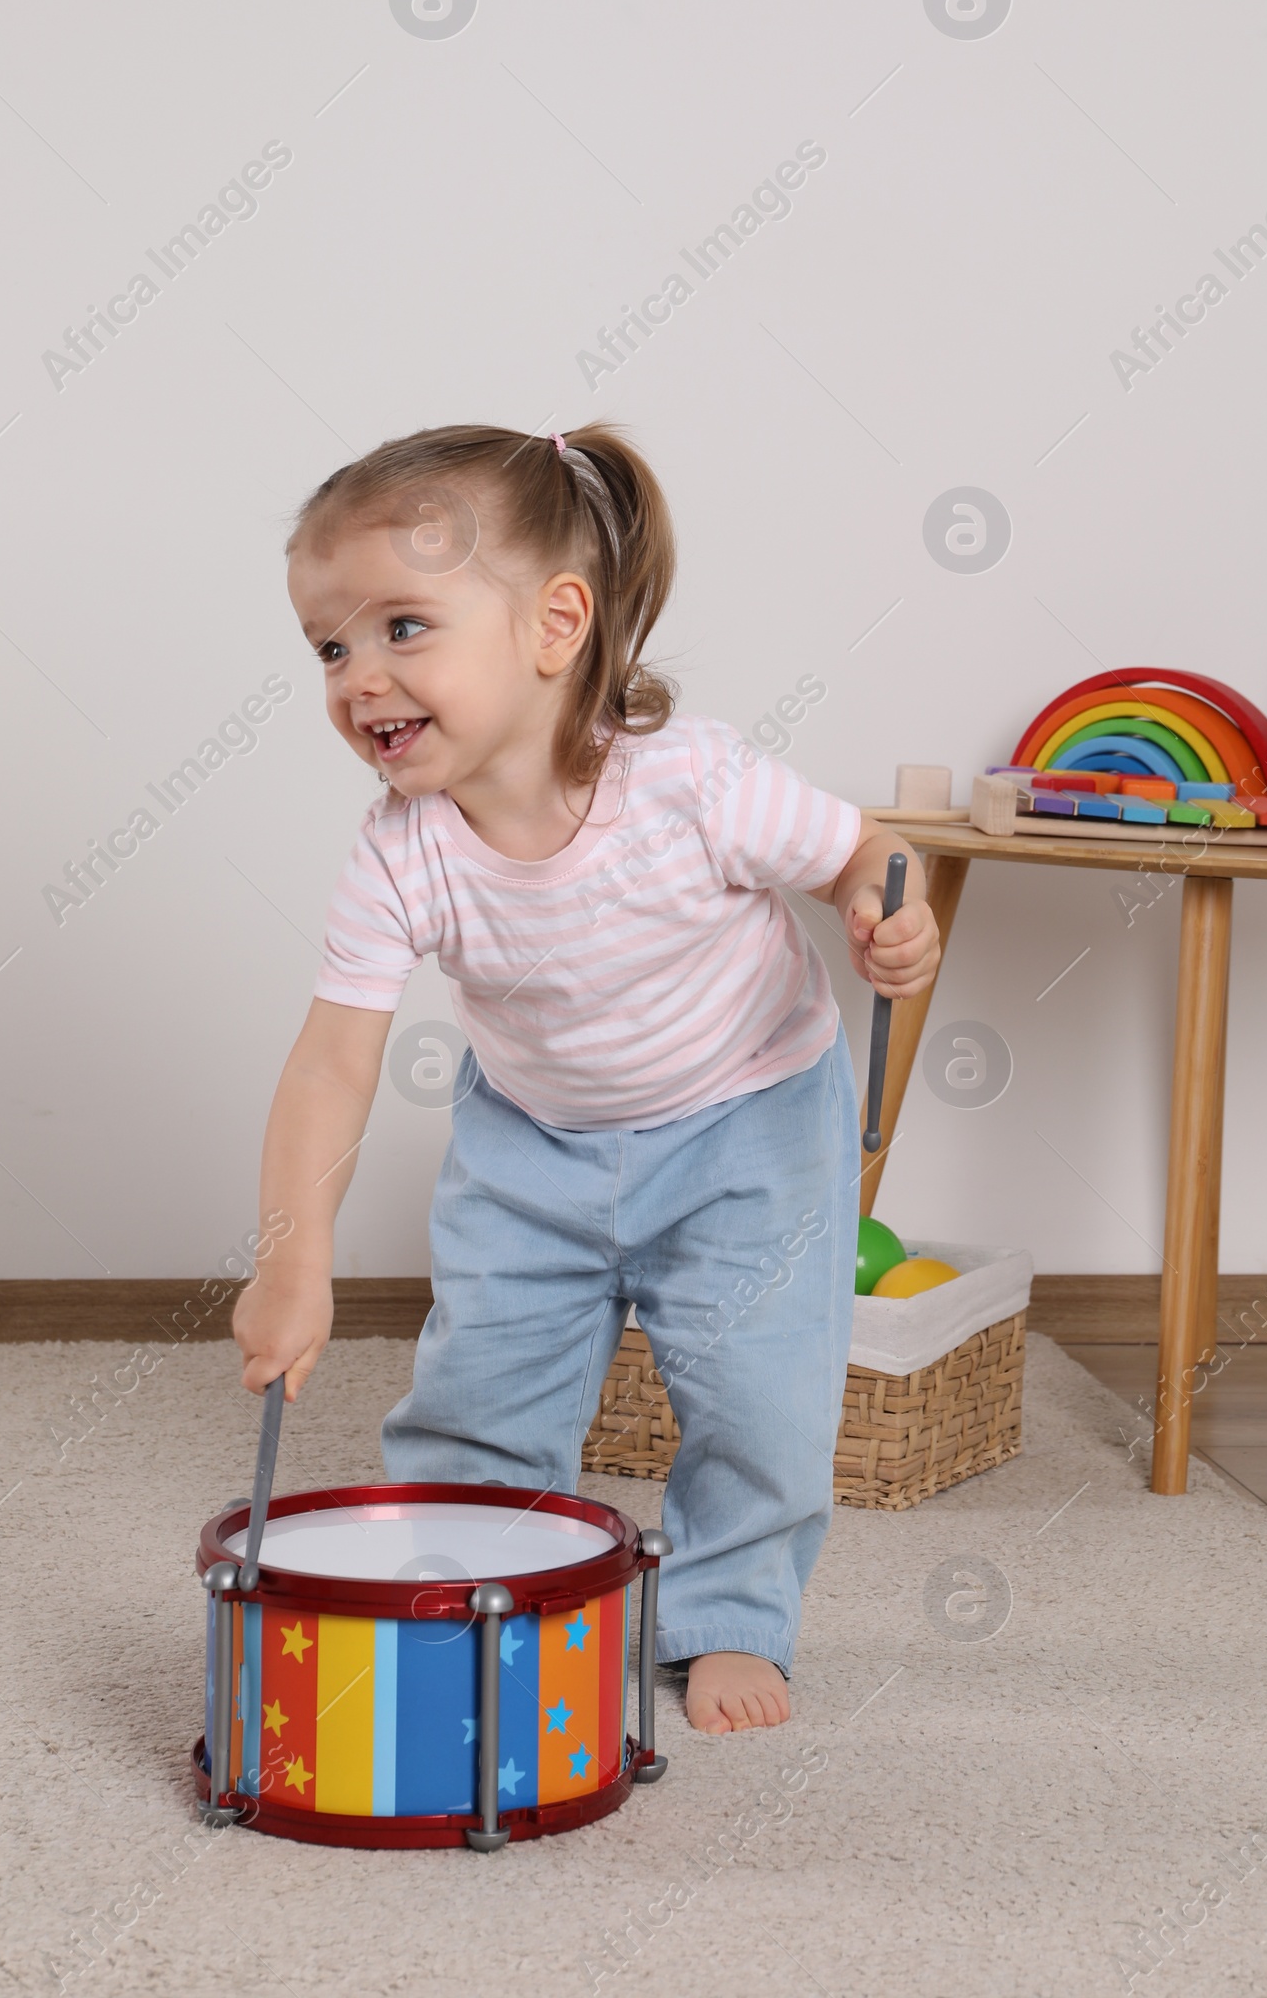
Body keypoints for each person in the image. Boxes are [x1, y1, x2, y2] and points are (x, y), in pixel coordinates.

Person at [231, 421, 940, 1734]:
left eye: (401, 628)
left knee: (758, 1394)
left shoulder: (692, 783)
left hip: (750, 1121)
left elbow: (863, 852)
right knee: (479, 1390)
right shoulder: (400, 853)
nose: (356, 679)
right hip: (533, 1144)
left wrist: (884, 910)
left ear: (556, 625)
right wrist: (294, 1257)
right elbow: (334, 1062)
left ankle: (732, 1614)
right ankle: (466, 1587)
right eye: (329, 647)